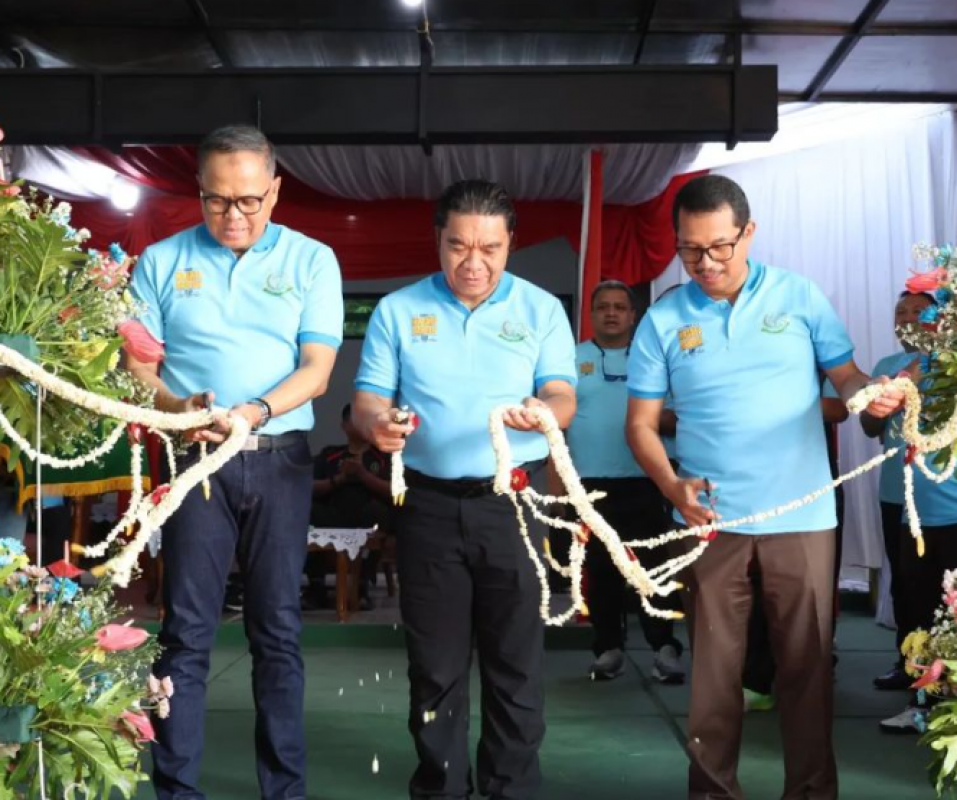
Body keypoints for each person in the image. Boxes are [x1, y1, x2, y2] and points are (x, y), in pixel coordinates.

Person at [625, 174, 903, 800]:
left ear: (748, 233)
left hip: (802, 519)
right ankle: (714, 791)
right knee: (713, 676)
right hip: (709, 522)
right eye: (689, 249)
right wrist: (672, 486)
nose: (704, 263)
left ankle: (811, 792)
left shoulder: (799, 296)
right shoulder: (665, 317)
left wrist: (871, 398)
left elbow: (848, 377)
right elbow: (640, 424)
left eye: (720, 246)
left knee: (806, 670)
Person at [125, 124, 343, 800]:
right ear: (198, 193)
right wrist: (177, 403)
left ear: (274, 190)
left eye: (249, 200)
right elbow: (137, 366)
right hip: (193, 461)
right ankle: (176, 791)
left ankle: (284, 791)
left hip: (278, 458)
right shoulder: (160, 261)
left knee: (277, 630)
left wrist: (254, 410)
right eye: (217, 201)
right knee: (185, 633)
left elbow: (317, 370)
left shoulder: (312, 259)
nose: (233, 215)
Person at [353, 179, 576, 800]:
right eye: (458, 246)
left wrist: (545, 410)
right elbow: (368, 398)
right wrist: (377, 423)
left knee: (515, 666)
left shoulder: (540, 309)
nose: (473, 263)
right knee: (435, 670)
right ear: (438, 240)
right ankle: (441, 788)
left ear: (510, 245)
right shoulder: (399, 310)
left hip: (516, 507)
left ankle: (512, 790)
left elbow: (564, 394)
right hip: (426, 507)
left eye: (490, 248)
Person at [566, 279, 685, 683]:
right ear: (592, 313)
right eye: (604, 307)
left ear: (634, 315)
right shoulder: (570, 359)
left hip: (648, 479)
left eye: (620, 306)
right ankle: (608, 649)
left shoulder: (655, 357)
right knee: (599, 571)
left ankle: (665, 647)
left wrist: (647, 421)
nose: (612, 313)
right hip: (589, 484)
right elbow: (557, 426)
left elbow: (676, 417)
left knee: (655, 567)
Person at [863, 291, 936, 693]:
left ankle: (941, 671)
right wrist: (885, 400)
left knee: (941, 584)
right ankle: (907, 665)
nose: (908, 318)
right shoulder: (886, 367)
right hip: (895, 492)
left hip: (939, 495)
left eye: (918, 310)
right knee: (905, 581)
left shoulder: (946, 367)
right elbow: (869, 430)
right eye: (901, 312)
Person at [305, 402, 392, 609]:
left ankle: (361, 587)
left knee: (381, 514)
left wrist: (363, 475)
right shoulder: (330, 454)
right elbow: (307, 487)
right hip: (333, 514)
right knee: (303, 511)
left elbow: (394, 491)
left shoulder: (383, 456)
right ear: (344, 425)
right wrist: (339, 479)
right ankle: (316, 587)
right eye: (355, 420)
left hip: (367, 517)